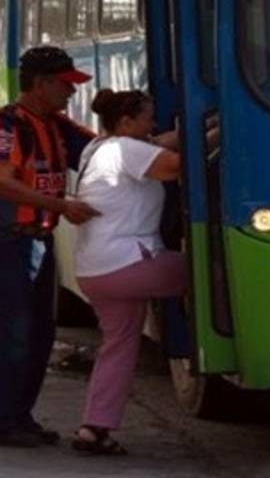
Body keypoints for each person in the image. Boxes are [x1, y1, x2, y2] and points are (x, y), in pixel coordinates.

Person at [0, 45, 99, 447]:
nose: (71, 93)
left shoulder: (58, 127)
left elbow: (109, 150)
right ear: (40, 84)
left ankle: (18, 417)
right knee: (8, 335)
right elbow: (3, 181)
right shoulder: (6, 128)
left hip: (38, 243)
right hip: (3, 245)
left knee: (39, 335)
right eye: (65, 85)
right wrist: (62, 206)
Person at [70, 88, 188, 455]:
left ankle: (94, 428)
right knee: (215, 272)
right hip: (129, 263)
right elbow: (174, 165)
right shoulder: (126, 149)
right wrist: (216, 133)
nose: (153, 125)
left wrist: (205, 126)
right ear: (125, 122)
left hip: (94, 270)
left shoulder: (99, 147)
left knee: (118, 346)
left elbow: (159, 143)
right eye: (147, 117)